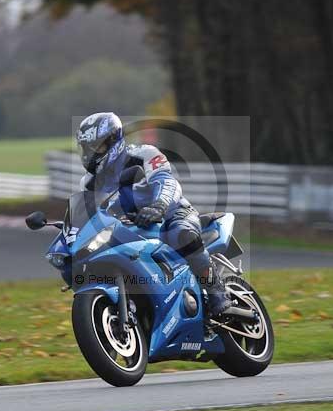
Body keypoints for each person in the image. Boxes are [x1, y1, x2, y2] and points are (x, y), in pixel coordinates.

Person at [76, 111, 232, 316]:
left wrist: (159, 205)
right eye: (87, 149)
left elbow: (167, 182)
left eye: (97, 148)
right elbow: (88, 214)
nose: (92, 155)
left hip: (172, 214)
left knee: (181, 234)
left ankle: (216, 290)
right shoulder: (87, 183)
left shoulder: (144, 155)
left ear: (114, 139)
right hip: (131, 228)